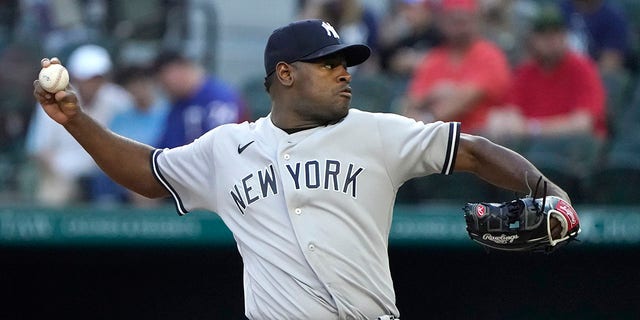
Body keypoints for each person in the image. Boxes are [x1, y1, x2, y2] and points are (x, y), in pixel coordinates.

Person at [34, 19, 569, 320]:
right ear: (285, 74)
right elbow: (149, 173)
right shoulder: (227, 147)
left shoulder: (377, 131)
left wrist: (553, 194)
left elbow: (471, 149)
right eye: (329, 64)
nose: (344, 74)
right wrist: (76, 121)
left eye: (346, 64)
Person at [25, 44, 133, 205]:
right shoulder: (53, 100)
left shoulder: (119, 99)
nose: (92, 83)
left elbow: (129, 145)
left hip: (107, 175)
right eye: (87, 78)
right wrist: (60, 175)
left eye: (97, 78)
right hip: (64, 174)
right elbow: (40, 150)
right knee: (53, 194)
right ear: (75, 77)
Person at [485, 5, 607, 141]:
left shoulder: (582, 68)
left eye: (556, 33)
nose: (550, 40)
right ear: (532, 39)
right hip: (533, 146)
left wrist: (532, 128)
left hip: (574, 149)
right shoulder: (525, 71)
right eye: (543, 34)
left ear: (565, 36)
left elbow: (583, 124)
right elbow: (509, 113)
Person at [401, 0, 511, 134]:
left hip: (480, 142)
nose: (459, 23)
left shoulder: (489, 55)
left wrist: (427, 117)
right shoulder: (434, 59)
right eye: (453, 17)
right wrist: (433, 93)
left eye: (464, 17)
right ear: (443, 20)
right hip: (438, 141)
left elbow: (464, 100)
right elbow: (410, 103)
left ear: (476, 19)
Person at [90, 66, 169, 206]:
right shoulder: (120, 118)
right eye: (133, 85)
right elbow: (110, 149)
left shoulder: (167, 114)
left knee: (144, 191)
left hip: (155, 172)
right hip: (123, 173)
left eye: (143, 83)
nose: (139, 89)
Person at [153, 50, 247, 148]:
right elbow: (165, 148)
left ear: (177, 71)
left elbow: (222, 148)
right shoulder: (179, 103)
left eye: (165, 83)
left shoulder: (219, 98)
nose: (164, 89)